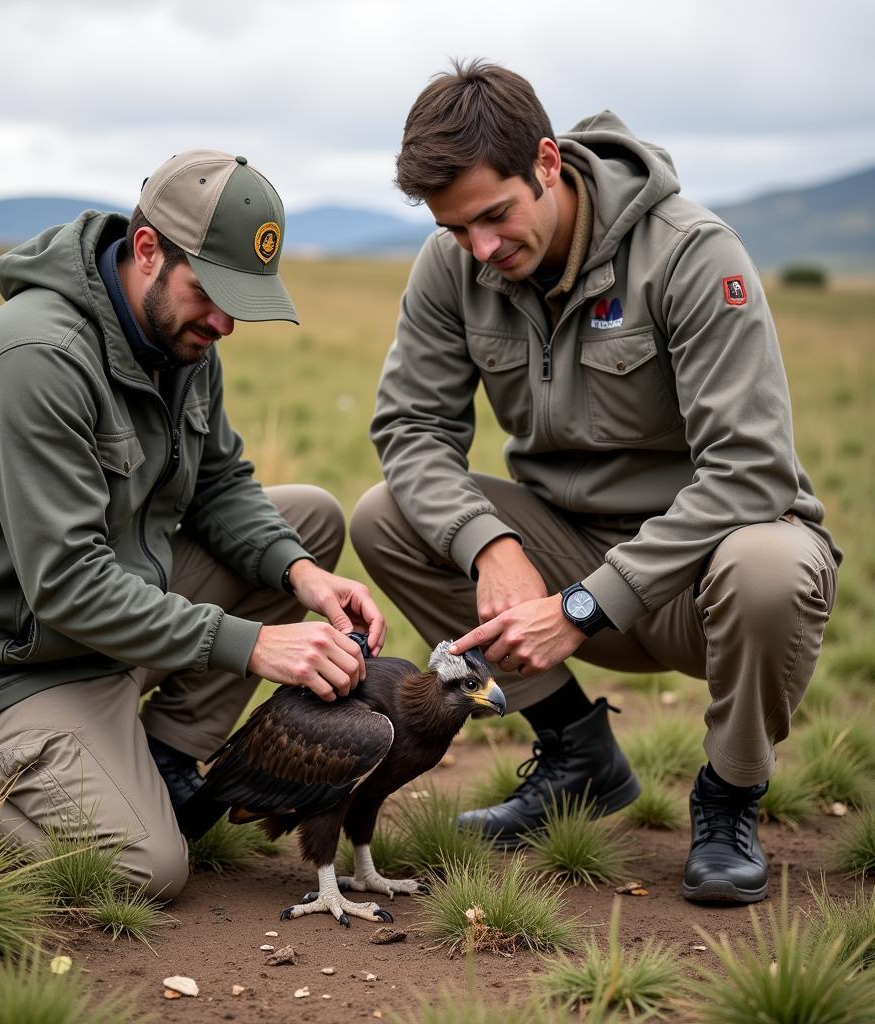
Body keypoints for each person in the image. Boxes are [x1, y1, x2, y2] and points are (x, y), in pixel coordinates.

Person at [350, 61, 840, 903]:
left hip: (701, 576)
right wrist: (491, 546)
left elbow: (750, 471)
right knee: (386, 514)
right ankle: (577, 754)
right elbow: (411, 431)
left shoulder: (691, 254)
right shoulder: (452, 264)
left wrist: (588, 605)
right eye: (457, 229)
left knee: (773, 568)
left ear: (547, 162)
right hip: (556, 556)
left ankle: (728, 798)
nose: (482, 251)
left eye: (495, 218)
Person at [0, 149, 385, 899]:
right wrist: (256, 646)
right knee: (149, 869)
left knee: (307, 522)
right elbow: (66, 585)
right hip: (7, 667)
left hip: (109, 627)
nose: (223, 322)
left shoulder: (183, 341)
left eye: (239, 302)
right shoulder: (35, 358)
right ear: (147, 248)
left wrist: (303, 577)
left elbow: (220, 484)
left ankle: (162, 758)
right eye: (210, 292)